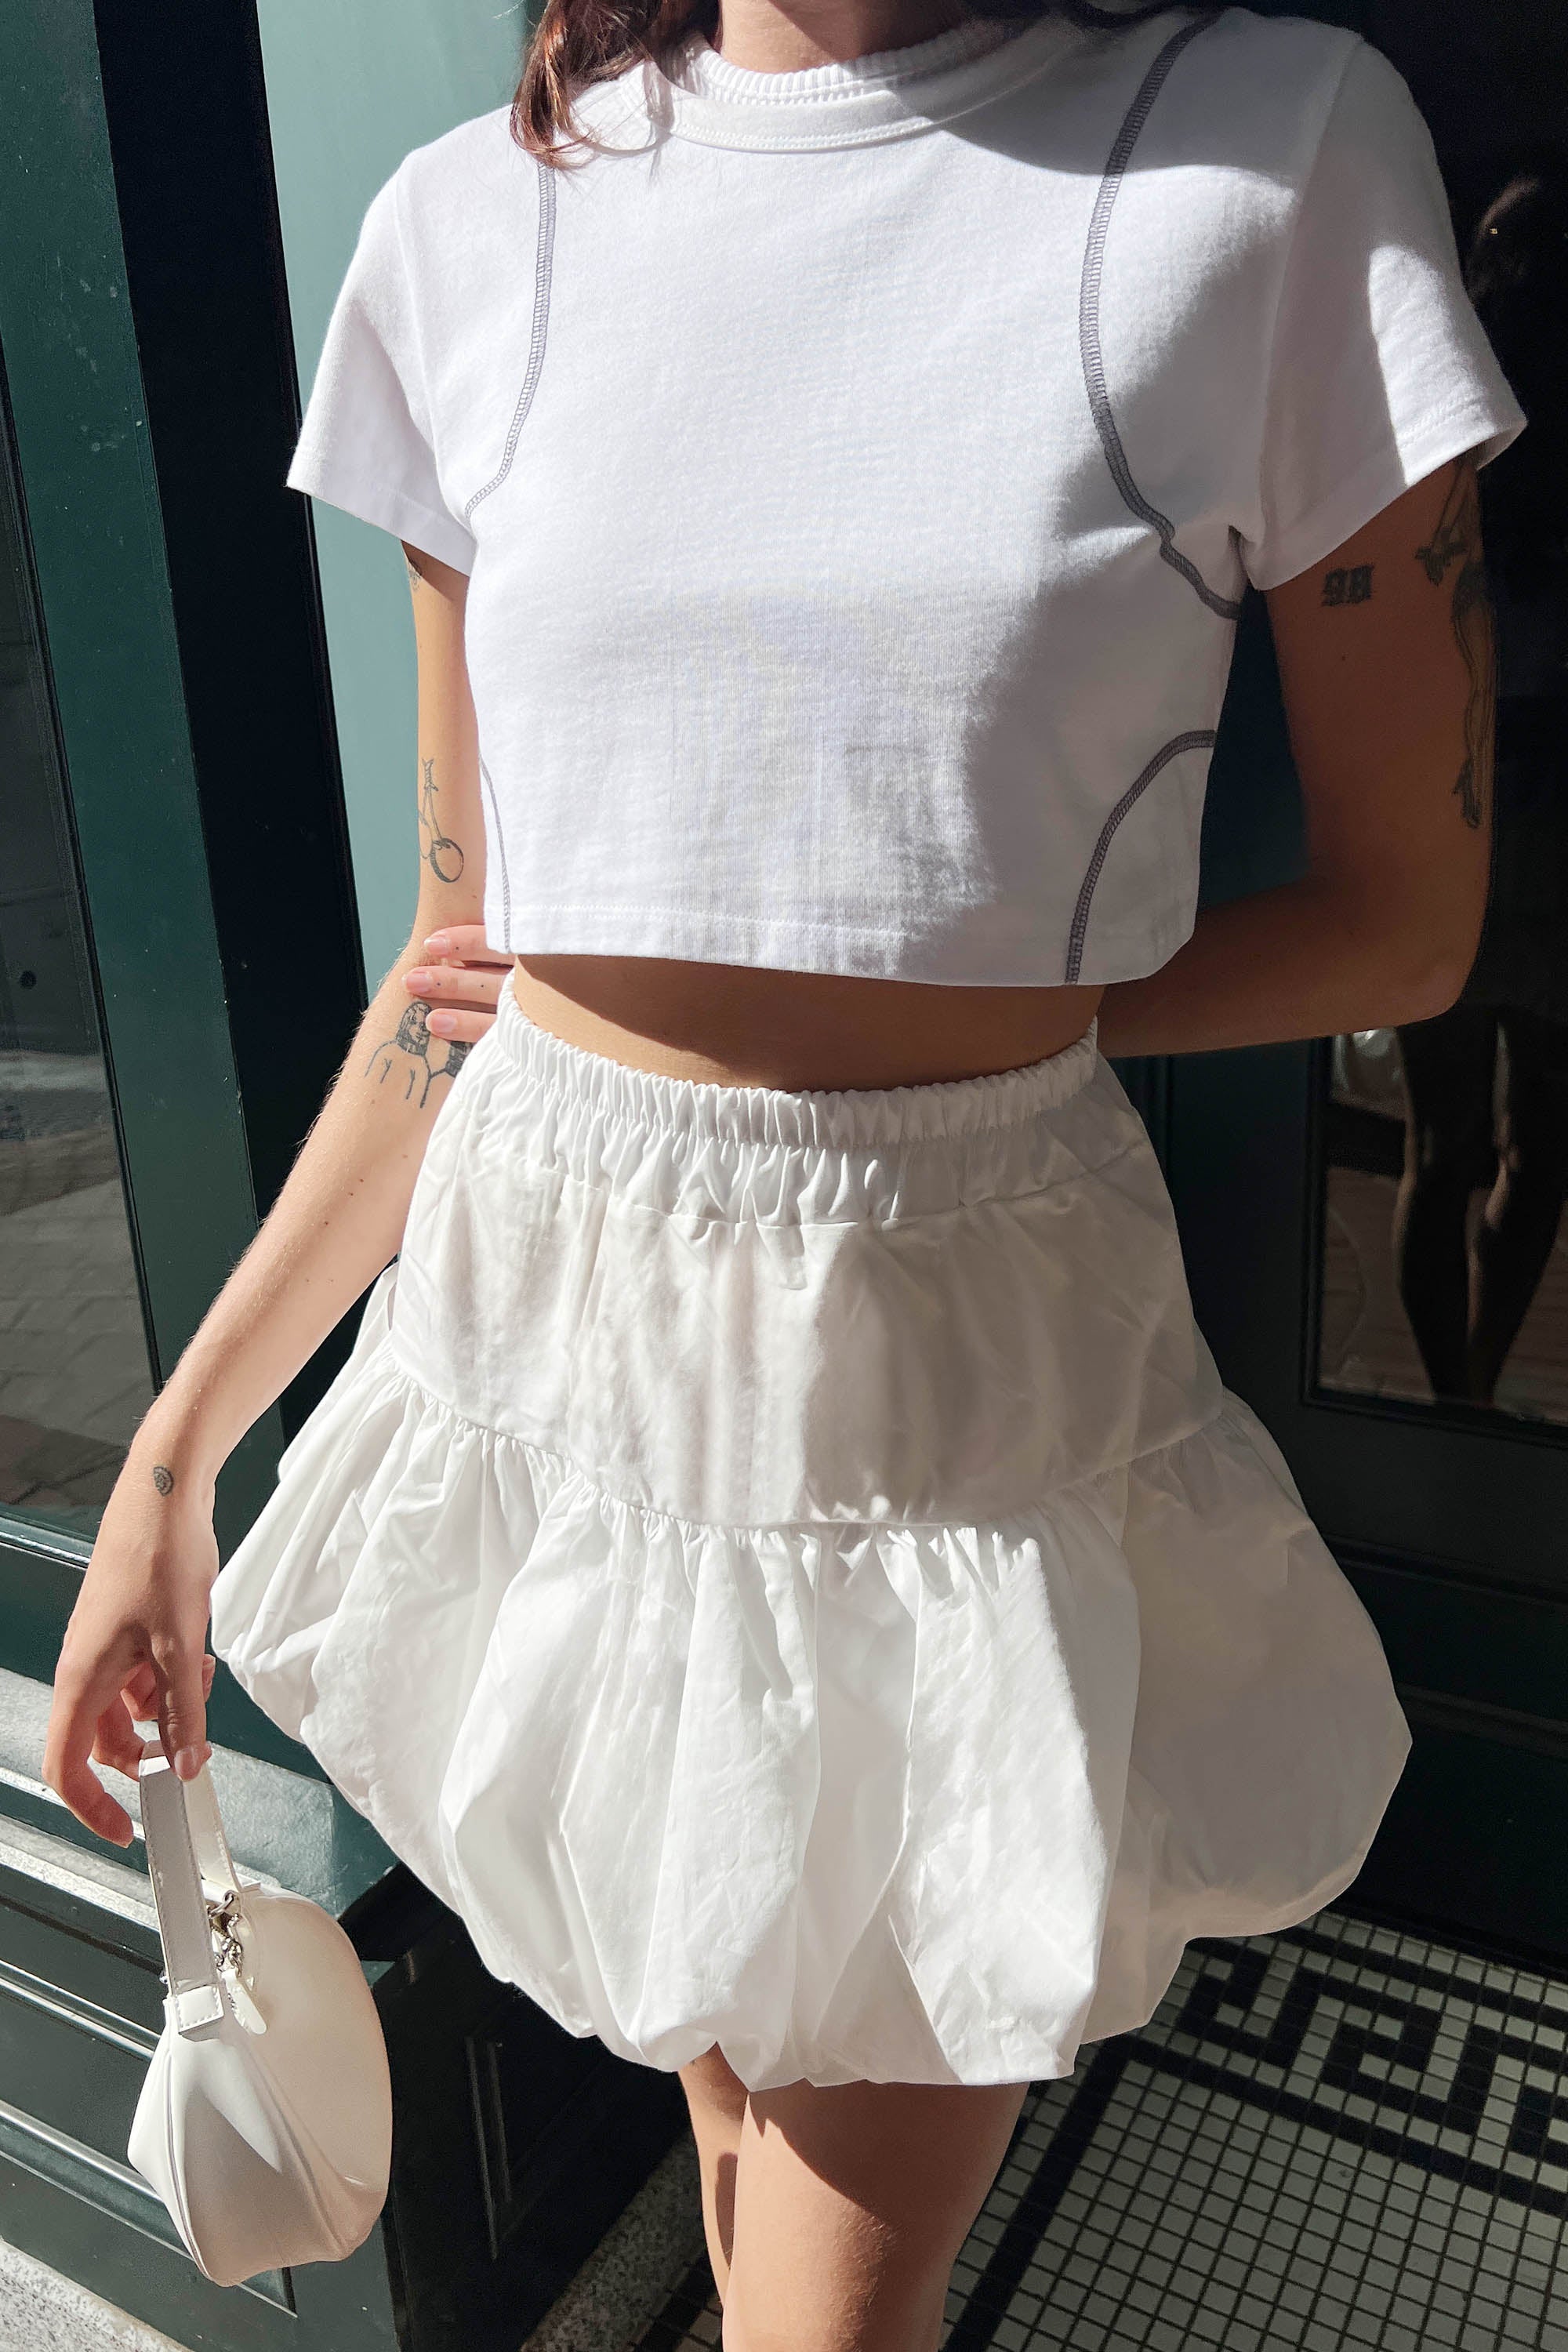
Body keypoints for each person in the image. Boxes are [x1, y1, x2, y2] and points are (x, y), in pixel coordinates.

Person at [44, 1, 1524, 2343]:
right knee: (731, 2108)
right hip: (562, 1355)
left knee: (829, 2297)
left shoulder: (1259, 158)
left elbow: (1403, 920)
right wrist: (176, 1453)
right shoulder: (474, 226)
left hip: (942, 1390)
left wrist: (995, 1011)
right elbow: (466, 965)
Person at [1391, 165, 1568, 1409]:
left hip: (1451, 810)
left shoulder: (1436, 426)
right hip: (1530, 817)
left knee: (1445, 1141)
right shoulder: (1444, 432)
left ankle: (1456, 1406)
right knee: (1528, 1147)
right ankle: (1471, 1402)